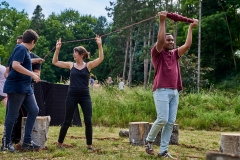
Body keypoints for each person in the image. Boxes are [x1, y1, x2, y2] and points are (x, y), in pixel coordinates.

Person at [144, 11, 198, 158]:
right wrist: (162, 21)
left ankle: (163, 151)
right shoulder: (157, 53)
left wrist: (190, 27)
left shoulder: (174, 54)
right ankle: (148, 141)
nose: (171, 42)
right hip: (161, 90)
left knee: (170, 123)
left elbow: (187, 45)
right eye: (168, 40)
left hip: (174, 91)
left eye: (172, 40)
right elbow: (160, 41)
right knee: (162, 118)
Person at [52, 34, 104, 150]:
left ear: (81, 54)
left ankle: (89, 145)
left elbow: (100, 59)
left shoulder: (88, 65)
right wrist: (57, 49)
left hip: (85, 96)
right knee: (67, 120)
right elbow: (55, 62)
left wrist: (99, 45)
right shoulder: (71, 65)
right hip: (72, 95)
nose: (73, 54)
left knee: (88, 121)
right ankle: (60, 143)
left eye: (75, 52)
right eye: (74, 52)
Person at [1, 29, 41, 152]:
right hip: (16, 87)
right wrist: (32, 75)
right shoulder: (21, 49)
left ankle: (27, 141)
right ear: (33, 41)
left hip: (26, 87)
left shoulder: (25, 51)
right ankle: (6, 144)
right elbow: (15, 65)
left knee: (34, 110)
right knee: (13, 115)